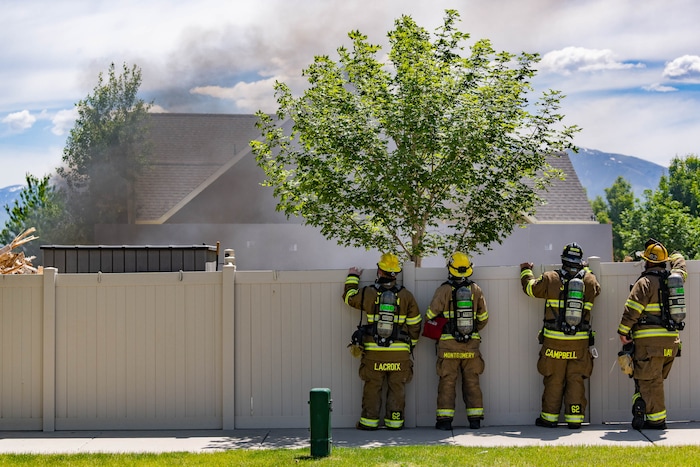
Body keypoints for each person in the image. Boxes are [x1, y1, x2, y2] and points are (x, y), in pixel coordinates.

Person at [519, 242, 601, 429]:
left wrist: (525, 271)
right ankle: (574, 419)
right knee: (576, 379)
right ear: (580, 261)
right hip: (579, 343)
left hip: (554, 341)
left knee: (554, 379)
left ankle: (549, 418)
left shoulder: (550, 278)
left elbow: (531, 289)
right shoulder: (590, 281)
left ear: (563, 259)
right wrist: (586, 270)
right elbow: (597, 291)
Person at [342, 252, 422, 430]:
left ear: (380, 271)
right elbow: (415, 325)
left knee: (372, 387)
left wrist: (353, 277)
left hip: (374, 354)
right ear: (396, 274)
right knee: (397, 388)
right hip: (400, 356)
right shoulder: (406, 296)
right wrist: (410, 346)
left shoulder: (369, 293)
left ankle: (369, 422)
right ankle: (395, 422)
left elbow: (349, 297)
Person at [617, 239, 687, 430]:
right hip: (672, 343)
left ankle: (656, 421)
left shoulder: (645, 282)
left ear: (648, 261)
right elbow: (681, 266)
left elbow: (632, 310)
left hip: (649, 345)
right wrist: (675, 256)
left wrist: (623, 332)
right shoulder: (674, 279)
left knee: (650, 381)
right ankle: (644, 405)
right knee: (654, 380)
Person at [425, 252, 488, 431]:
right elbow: (483, 318)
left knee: (447, 382)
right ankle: (475, 420)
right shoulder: (476, 290)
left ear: (450, 269)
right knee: (472, 383)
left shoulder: (444, 290)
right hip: (471, 347)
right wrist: (471, 332)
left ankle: (444, 422)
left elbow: (430, 315)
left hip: (448, 346)